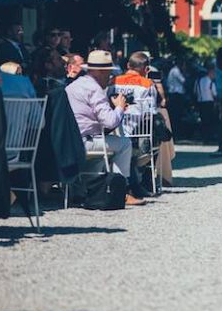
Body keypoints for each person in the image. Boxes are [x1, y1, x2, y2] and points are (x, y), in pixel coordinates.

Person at [65, 50, 144, 206]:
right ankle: (121, 191)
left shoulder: (73, 86)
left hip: (69, 142)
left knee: (103, 150)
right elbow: (110, 122)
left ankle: (88, 189)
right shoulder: (95, 90)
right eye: (108, 73)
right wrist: (119, 107)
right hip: (86, 142)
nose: (109, 78)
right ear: (100, 72)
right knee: (124, 144)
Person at [108, 51, 158, 197]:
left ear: (128, 65)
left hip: (113, 128)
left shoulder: (113, 81)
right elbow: (151, 112)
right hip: (138, 132)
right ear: (146, 69)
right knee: (158, 132)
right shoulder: (147, 84)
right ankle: (144, 181)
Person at [195, 64, 217, 144]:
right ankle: (208, 138)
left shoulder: (199, 80)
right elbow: (214, 93)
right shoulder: (211, 82)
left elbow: (195, 91)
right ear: (210, 73)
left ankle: (203, 137)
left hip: (201, 102)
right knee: (210, 121)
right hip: (209, 103)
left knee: (203, 120)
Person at [166, 59, 187, 138]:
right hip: (176, 94)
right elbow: (183, 80)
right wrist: (184, 72)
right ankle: (176, 134)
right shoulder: (176, 71)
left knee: (176, 115)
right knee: (176, 115)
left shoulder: (173, 71)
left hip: (174, 94)